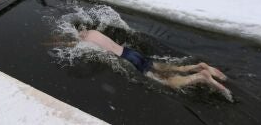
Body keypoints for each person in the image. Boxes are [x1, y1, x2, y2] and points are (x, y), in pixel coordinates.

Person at [79, 29, 233, 101]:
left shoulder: (85, 41)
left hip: (127, 59)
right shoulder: (93, 32)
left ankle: (201, 76)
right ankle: (198, 66)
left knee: (168, 82)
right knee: (164, 68)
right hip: (130, 52)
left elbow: (95, 53)